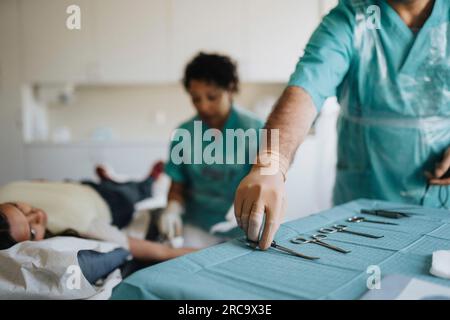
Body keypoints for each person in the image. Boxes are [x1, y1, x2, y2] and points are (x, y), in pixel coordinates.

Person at [234, 0, 450, 250]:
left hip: (441, 203)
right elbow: (306, 91)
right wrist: (270, 164)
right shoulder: (353, 17)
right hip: (365, 206)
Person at [158, 52, 264, 247]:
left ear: (230, 89)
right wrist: (172, 209)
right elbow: (177, 186)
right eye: (196, 99)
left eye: (212, 97)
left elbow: (265, 182)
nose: (204, 106)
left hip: (243, 225)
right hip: (197, 228)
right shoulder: (183, 133)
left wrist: (250, 205)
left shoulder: (255, 129)